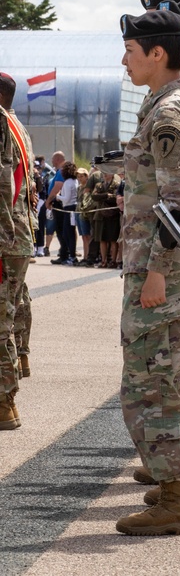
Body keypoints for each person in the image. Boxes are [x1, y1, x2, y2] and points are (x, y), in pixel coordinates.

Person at [115, 8, 180, 536]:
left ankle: (175, 502)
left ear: (158, 54)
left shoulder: (171, 113)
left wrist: (156, 271)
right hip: (177, 267)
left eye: (131, 50)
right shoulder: (178, 104)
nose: (124, 60)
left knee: (151, 383)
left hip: (166, 270)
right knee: (175, 378)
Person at [0, 72, 36, 426]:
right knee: (9, 311)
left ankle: (4, 402)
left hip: (4, 234)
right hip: (17, 235)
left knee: (1, 319)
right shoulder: (17, 125)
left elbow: (2, 184)